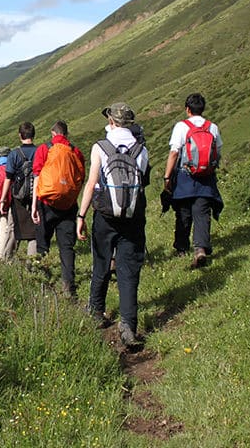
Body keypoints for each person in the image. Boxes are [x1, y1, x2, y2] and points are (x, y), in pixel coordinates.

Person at [76, 103, 150, 348]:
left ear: (111, 121)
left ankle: (96, 311)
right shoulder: (141, 149)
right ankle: (128, 325)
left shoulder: (100, 147)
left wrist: (81, 215)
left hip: (105, 215)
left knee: (101, 261)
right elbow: (143, 182)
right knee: (129, 270)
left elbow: (92, 183)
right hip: (133, 216)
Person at [163, 93, 224, 268]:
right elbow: (218, 151)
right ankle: (200, 249)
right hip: (206, 177)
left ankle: (182, 248)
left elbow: (174, 152)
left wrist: (167, 177)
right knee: (202, 213)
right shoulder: (212, 127)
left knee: (183, 213)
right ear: (202, 109)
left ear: (187, 109)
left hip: (185, 176)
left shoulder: (181, 127)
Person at [31, 120, 85, 297]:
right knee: (67, 248)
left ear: (53, 134)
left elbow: (37, 178)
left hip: (46, 204)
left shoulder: (44, 149)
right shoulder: (76, 152)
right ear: (66, 134)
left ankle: (41, 285)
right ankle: (68, 287)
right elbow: (80, 178)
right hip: (68, 207)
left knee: (42, 246)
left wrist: (34, 206)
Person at [0, 122, 39, 257]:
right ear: (33, 135)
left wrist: (3, 199)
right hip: (36, 196)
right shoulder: (40, 152)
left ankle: (8, 259)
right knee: (34, 231)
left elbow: (8, 178)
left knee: (13, 228)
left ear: (20, 135)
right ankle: (33, 263)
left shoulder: (14, 154)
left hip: (18, 198)